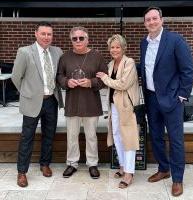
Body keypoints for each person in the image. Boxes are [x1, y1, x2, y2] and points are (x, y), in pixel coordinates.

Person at [139, 7, 193, 196]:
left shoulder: (175, 40)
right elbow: (147, 69)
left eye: (155, 18)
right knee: (155, 137)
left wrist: (181, 96)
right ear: (144, 23)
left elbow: (188, 70)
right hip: (151, 98)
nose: (152, 22)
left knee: (176, 139)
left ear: (162, 20)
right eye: (148, 19)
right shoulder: (144, 43)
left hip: (172, 99)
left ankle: (177, 179)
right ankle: (164, 169)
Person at [12, 21, 63, 187]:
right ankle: (21, 172)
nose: (46, 37)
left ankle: (45, 164)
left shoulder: (57, 52)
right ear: (36, 34)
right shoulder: (25, 52)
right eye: (43, 33)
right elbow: (16, 77)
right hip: (32, 102)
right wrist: (27, 93)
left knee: (49, 135)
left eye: (49, 34)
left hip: (51, 101)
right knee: (27, 137)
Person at [57, 26, 107, 179]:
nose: (78, 41)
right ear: (71, 40)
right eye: (74, 38)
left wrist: (91, 82)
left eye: (81, 38)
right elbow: (59, 76)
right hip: (72, 103)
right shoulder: (65, 57)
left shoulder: (97, 56)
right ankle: (72, 163)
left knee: (91, 136)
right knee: (71, 136)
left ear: (87, 39)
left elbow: (104, 79)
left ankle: (92, 164)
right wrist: (66, 82)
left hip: (91, 103)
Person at [96, 34, 140, 188]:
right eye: (112, 47)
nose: (114, 50)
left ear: (123, 48)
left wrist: (105, 79)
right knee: (116, 136)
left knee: (128, 138)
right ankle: (122, 166)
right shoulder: (110, 64)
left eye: (117, 47)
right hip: (114, 106)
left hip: (126, 106)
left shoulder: (129, 63)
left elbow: (123, 84)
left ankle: (129, 173)